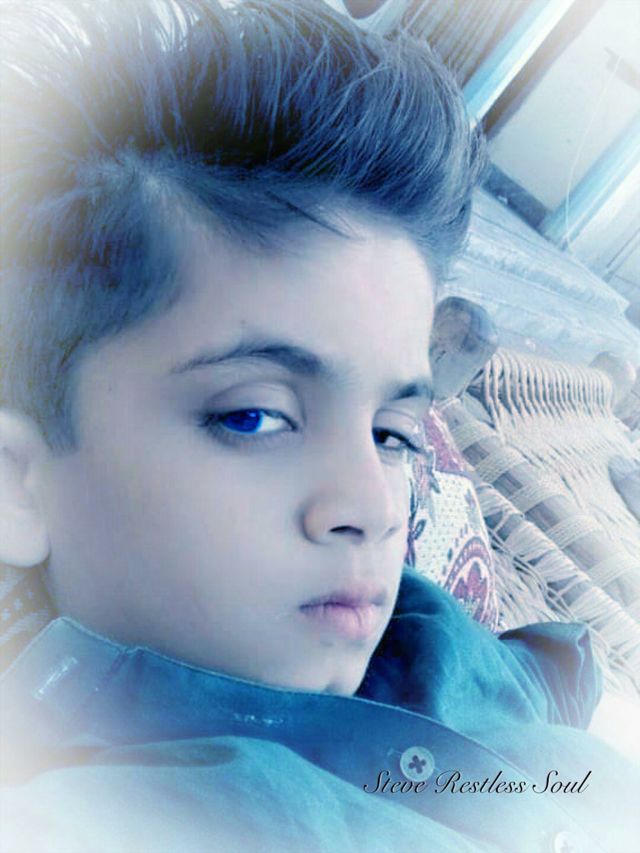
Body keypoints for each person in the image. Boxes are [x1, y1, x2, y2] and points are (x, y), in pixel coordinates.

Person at [0, 1, 637, 850]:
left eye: (393, 434)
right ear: (20, 484)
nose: (374, 508)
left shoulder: (421, 632)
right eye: (255, 417)